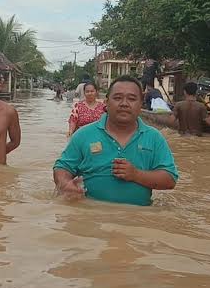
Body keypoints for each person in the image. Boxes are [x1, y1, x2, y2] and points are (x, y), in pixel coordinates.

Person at [53, 75, 178, 206]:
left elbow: (170, 179)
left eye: (132, 99)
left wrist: (136, 175)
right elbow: (62, 168)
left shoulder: (154, 137)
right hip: (91, 218)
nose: (124, 103)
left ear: (141, 104)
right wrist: (65, 184)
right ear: (106, 103)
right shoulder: (83, 135)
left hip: (139, 221)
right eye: (117, 98)